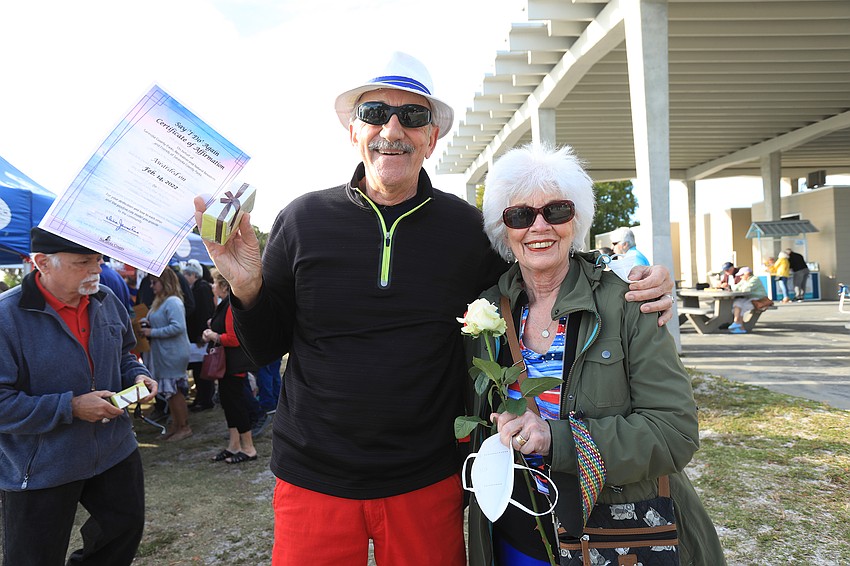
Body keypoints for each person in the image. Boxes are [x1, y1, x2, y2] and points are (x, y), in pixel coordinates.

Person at [193, 51, 676, 565]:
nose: (393, 129)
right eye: (376, 113)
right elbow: (266, 345)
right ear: (352, 130)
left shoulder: (467, 231)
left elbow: (540, 262)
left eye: (413, 116)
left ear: (432, 136)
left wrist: (629, 277)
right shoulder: (302, 219)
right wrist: (246, 288)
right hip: (315, 476)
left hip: (427, 477)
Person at [467, 144, 724, 565]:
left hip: (612, 533)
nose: (538, 227)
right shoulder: (487, 311)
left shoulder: (630, 301)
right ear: (503, 228)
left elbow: (674, 432)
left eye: (556, 211)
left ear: (576, 219)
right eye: (519, 215)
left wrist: (557, 440)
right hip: (515, 536)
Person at [0, 227, 157, 565]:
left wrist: (138, 376)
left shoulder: (105, 300)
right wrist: (70, 407)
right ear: (42, 262)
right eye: (83, 262)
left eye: (99, 260)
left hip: (114, 449)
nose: (97, 271)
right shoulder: (5, 317)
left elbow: (123, 355)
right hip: (42, 463)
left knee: (123, 530)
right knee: (34, 558)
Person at [203, 270, 258, 464]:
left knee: (236, 404)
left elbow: (234, 338)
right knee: (228, 404)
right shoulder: (224, 305)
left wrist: (214, 336)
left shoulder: (229, 305)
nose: (212, 286)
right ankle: (234, 445)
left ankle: (249, 448)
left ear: (224, 286)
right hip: (227, 364)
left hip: (234, 365)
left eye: (215, 283)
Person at [140, 268, 192, 441]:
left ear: (165, 282)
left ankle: (183, 427)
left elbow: (178, 327)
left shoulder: (173, 302)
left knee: (174, 391)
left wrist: (151, 332)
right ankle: (176, 425)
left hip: (173, 354)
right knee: (170, 392)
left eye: (154, 282)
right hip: (164, 353)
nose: (152, 286)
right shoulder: (161, 302)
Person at [183, 259, 217, 412]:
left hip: (200, 337)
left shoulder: (201, 288)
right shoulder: (197, 288)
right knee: (198, 369)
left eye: (186, 274)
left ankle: (205, 399)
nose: (184, 277)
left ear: (193, 275)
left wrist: (200, 335)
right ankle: (201, 398)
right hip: (198, 336)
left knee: (202, 369)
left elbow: (204, 313)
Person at [729, 266, 768, 334]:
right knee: (737, 303)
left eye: (741, 275)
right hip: (750, 298)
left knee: (742, 307)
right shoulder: (745, 280)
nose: (740, 277)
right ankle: (738, 325)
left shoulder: (754, 279)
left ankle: (738, 324)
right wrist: (731, 286)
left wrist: (740, 287)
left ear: (747, 274)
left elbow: (746, 289)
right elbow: (735, 288)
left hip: (759, 299)